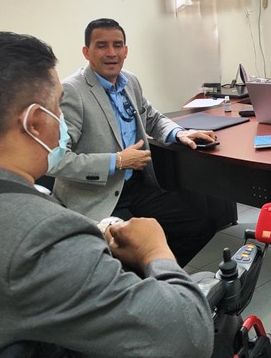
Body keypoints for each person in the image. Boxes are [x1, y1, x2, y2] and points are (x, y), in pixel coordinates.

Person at [0, 32, 213, 356]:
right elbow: (188, 336)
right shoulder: (46, 237)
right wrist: (154, 250)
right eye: (57, 107)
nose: (62, 121)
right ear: (36, 123)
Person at [50, 18, 218, 267]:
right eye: (102, 45)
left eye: (118, 45)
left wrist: (180, 133)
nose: (111, 53)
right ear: (86, 52)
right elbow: (56, 159)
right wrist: (116, 161)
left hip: (137, 186)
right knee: (126, 251)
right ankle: (138, 284)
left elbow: (152, 117)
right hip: (97, 196)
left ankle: (156, 280)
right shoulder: (72, 91)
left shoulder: (130, 82)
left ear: (126, 51)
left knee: (199, 226)